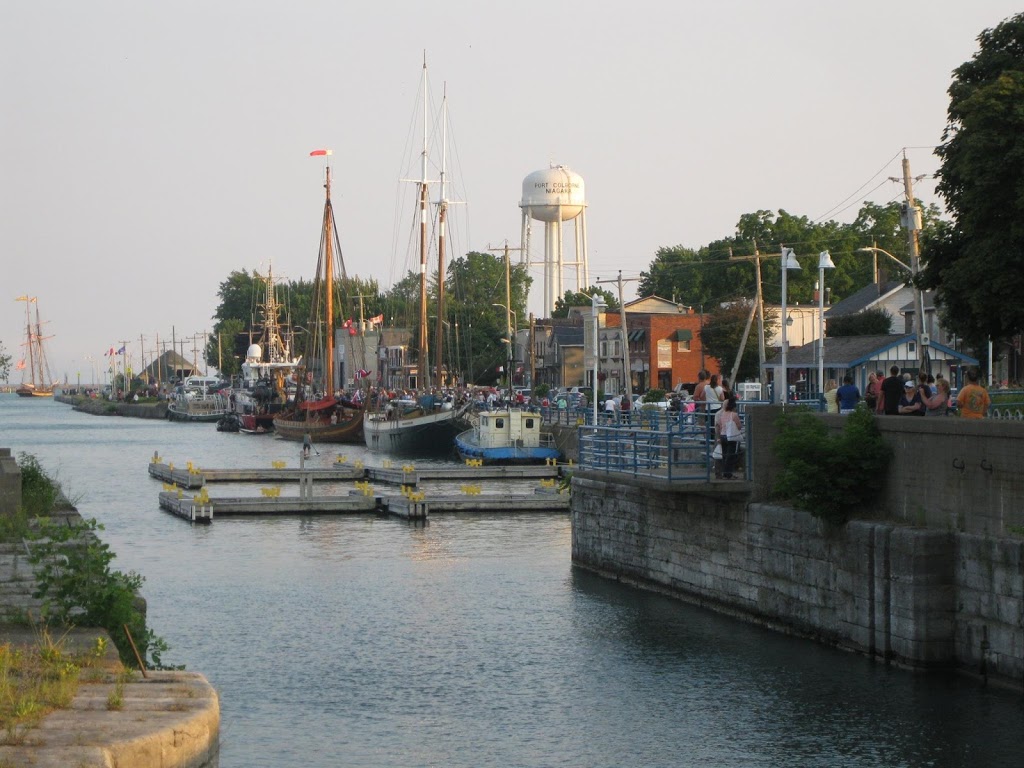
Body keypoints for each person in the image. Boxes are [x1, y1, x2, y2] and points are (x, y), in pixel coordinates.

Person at [719, 395, 743, 479]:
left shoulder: (722, 414)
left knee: (725, 455)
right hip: (731, 437)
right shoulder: (734, 415)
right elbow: (739, 426)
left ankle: (724, 473)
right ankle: (728, 474)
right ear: (734, 407)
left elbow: (721, 425)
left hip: (722, 435)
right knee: (730, 456)